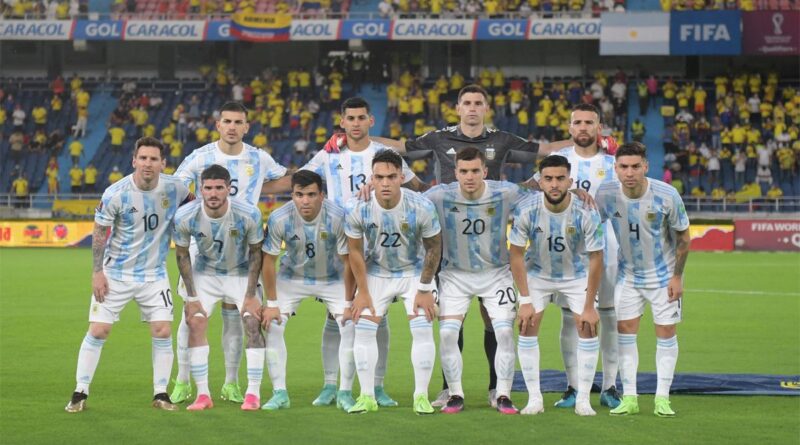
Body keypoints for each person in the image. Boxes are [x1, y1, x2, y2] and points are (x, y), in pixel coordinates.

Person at [364, 84, 542, 407]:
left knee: (495, 323)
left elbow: (541, 173)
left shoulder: (502, 153)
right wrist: (372, 176)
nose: (472, 108)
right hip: (449, 255)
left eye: (478, 103)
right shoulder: (439, 153)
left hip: (492, 255)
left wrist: (566, 182)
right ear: (458, 108)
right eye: (467, 103)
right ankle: (451, 390)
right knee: (450, 326)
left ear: (485, 107)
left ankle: (496, 389)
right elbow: (402, 159)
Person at [299, 97, 426, 407]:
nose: (355, 123)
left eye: (361, 118)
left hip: (378, 247)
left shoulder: (383, 156)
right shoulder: (329, 154)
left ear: (371, 121)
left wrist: (387, 188)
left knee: (376, 316)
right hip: (339, 246)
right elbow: (301, 181)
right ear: (342, 122)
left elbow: (417, 186)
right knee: (336, 315)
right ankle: (331, 384)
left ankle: (376, 387)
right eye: (350, 118)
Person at [171, 101, 288, 405]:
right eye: (227, 121)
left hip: (242, 249)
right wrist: (199, 204)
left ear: (246, 127)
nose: (232, 127)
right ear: (218, 125)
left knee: (237, 319)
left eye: (238, 122)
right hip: (203, 249)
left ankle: (231, 383)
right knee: (190, 317)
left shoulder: (259, 157)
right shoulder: (201, 157)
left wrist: (323, 163)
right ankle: (182, 380)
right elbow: (176, 186)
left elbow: (285, 179)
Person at [65, 137, 189, 413]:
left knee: (162, 329)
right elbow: (99, 233)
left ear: (163, 163)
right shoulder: (116, 193)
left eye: (153, 159)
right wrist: (97, 272)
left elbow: (194, 208)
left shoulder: (176, 188)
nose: (148, 163)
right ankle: (80, 392)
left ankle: (161, 393)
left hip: (154, 274)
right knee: (99, 330)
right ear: (134, 161)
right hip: (116, 274)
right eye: (143, 158)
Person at [424, 147, 530, 415]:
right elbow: (408, 202)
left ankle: (503, 394)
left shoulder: (505, 192)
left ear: (485, 171)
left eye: (474, 171)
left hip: (496, 274)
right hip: (455, 275)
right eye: (463, 171)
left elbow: (542, 193)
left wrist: (577, 192)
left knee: (504, 332)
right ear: (455, 172)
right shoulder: (440, 195)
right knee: (447, 334)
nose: (469, 177)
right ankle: (455, 394)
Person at [595, 141, 691, 417]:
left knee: (666, 333)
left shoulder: (666, 194)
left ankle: (662, 398)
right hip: (628, 277)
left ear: (645, 167)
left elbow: (684, 237)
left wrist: (677, 277)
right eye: (624, 166)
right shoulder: (606, 194)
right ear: (615, 168)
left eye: (635, 166)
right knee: (625, 333)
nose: (629, 172)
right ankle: (630, 398)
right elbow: (591, 227)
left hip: (663, 277)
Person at [344, 149, 442, 415]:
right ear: (371, 179)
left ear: (401, 177)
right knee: (363, 329)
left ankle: (421, 397)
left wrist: (424, 289)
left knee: (422, 328)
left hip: (414, 273)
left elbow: (434, 248)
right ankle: (366, 396)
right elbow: (354, 251)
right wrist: (362, 292)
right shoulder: (357, 207)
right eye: (379, 177)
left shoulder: (421, 206)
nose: (385, 183)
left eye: (391, 177)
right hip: (377, 272)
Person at [510, 154, 604, 416]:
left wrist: (589, 306)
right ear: (540, 182)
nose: (554, 184)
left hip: (576, 275)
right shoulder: (526, 209)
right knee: (526, 326)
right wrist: (525, 300)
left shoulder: (587, 211)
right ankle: (534, 399)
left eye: (560, 178)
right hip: (538, 274)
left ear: (570, 182)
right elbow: (515, 254)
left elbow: (597, 258)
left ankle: (583, 399)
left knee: (587, 327)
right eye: (548, 178)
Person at [541, 104, 622, 410]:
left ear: (599, 127)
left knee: (609, 316)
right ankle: (573, 386)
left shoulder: (614, 163)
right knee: (569, 318)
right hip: (569, 250)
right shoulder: (560, 162)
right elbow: (539, 191)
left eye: (589, 122)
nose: (584, 127)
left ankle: (610, 386)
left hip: (610, 249)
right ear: (570, 127)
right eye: (578, 122)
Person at [260, 171, 356, 411]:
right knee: (272, 325)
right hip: (291, 278)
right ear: (292, 195)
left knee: (349, 324)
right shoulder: (279, 218)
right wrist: (271, 304)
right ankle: (280, 393)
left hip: (332, 278)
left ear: (322, 195)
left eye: (311, 194)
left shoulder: (338, 217)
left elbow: (349, 262)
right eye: (299, 194)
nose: (305, 201)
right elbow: (268, 262)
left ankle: (343, 392)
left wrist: (348, 303)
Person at [173, 165, 265, 411]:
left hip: (240, 272)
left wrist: (251, 295)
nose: (213, 193)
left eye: (218, 188)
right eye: (208, 188)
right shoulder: (185, 215)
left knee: (252, 321)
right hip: (205, 273)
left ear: (228, 188)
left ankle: (253, 393)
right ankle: (202, 394)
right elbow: (182, 255)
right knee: (194, 321)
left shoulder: (248, 213)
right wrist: (192, 297)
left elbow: (257, 253)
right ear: (200, 189)